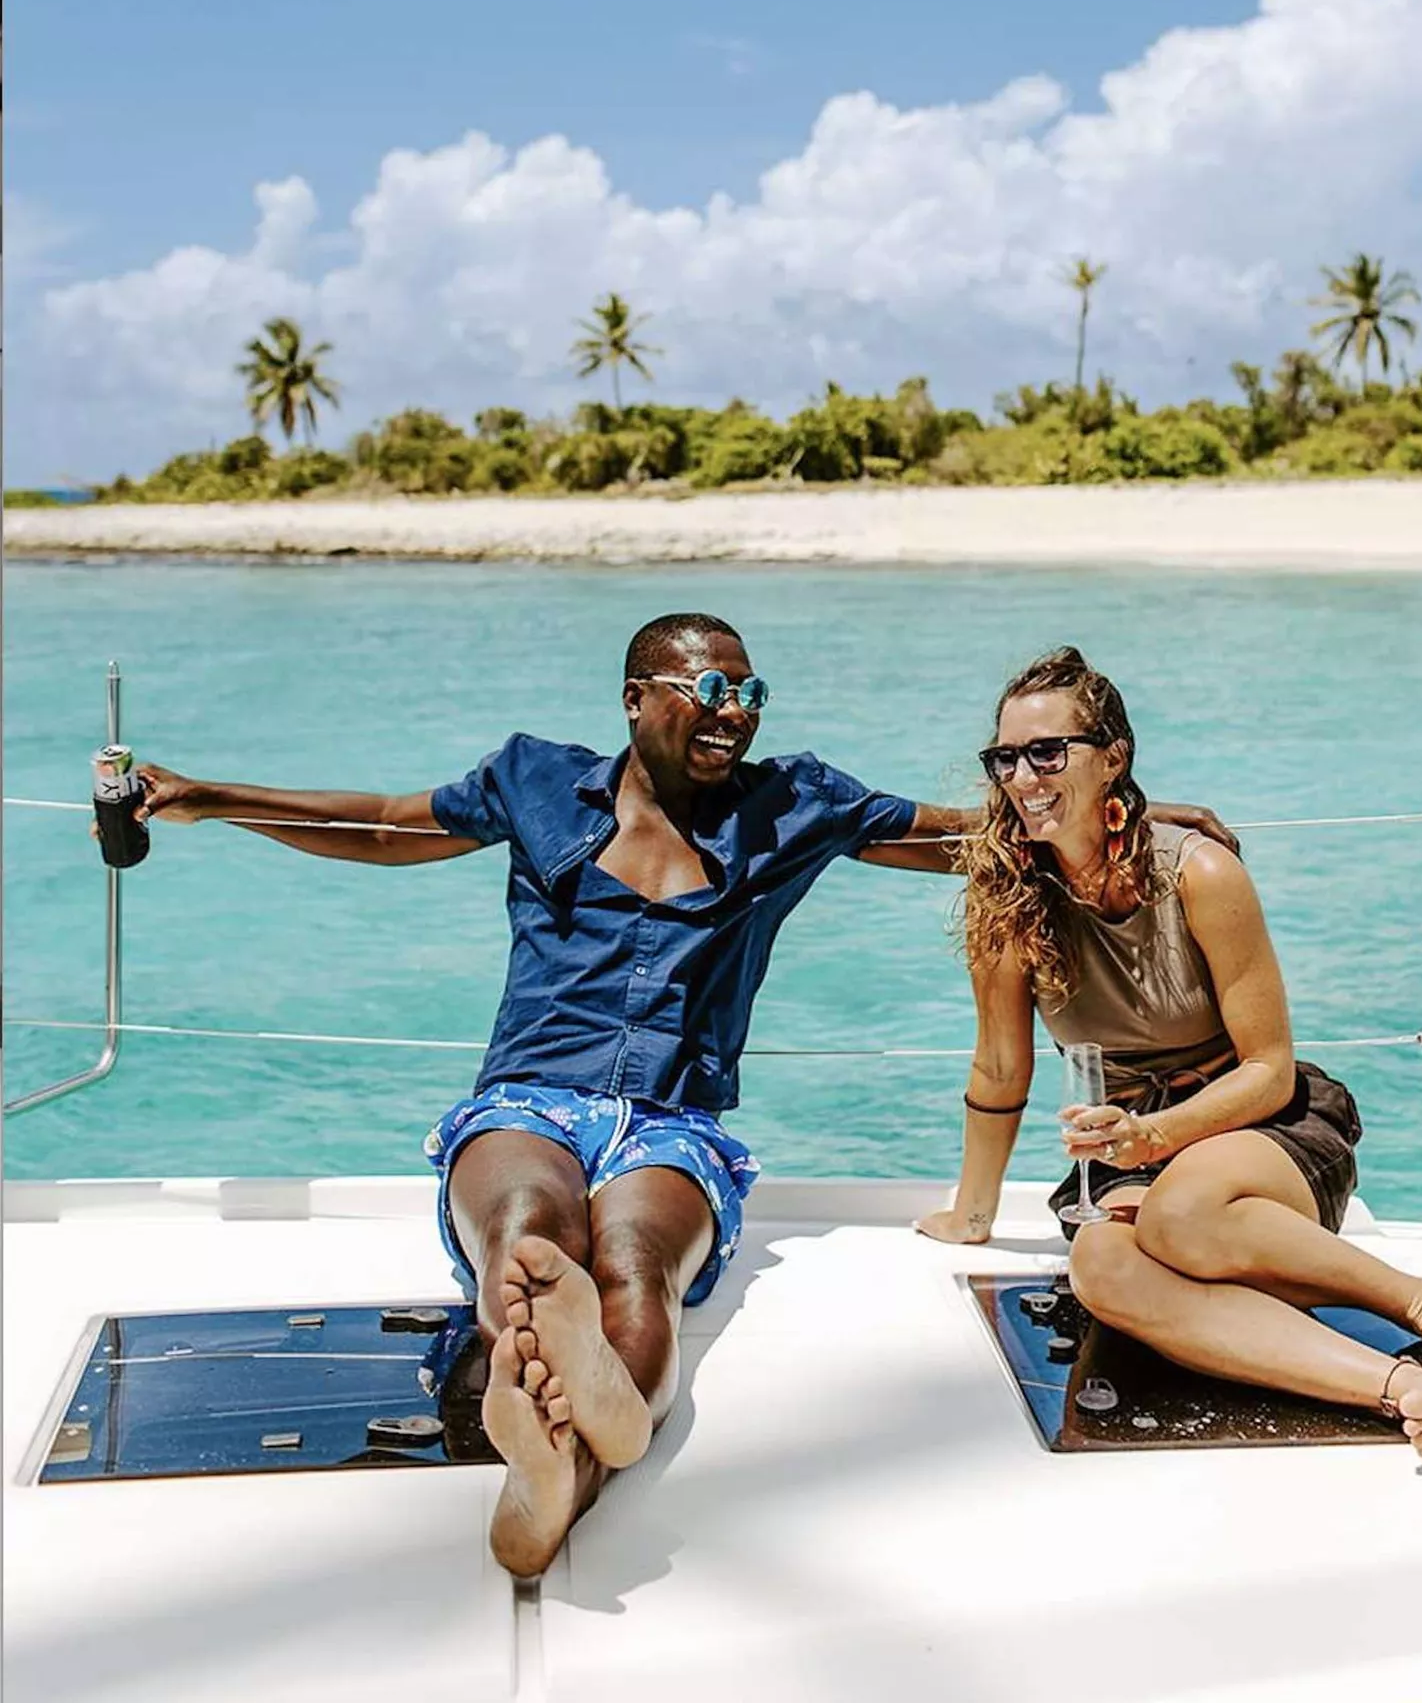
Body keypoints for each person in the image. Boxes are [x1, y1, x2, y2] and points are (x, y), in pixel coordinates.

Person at [133, 612, 1234, 1574]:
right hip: (528, 1101)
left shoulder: (792, 804)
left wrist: (1133, 813)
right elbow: (383, 823)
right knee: (528, 1226)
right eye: (709, 688)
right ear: (636, 698)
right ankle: (568, 1427)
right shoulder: (534, 780)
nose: (733, 713)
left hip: (672, 1125)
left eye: (750, 693)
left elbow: (961, 838)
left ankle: (559, 1454)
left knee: (636, 1265)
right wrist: (208, 797)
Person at [916, 646, 1422, 1466]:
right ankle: (1408, 1388)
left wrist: (1154, 1137)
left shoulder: (1199, 871)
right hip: (1132, 1145)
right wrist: (973, 1212)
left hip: (1260, 1124)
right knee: (1100, 1266)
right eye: (1006, 758)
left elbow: (1269, 1068)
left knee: (1183, 1215)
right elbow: (999, 1068)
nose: (1024, 777)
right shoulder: (1009, 895)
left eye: (1048, 753)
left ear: (1113, 757)